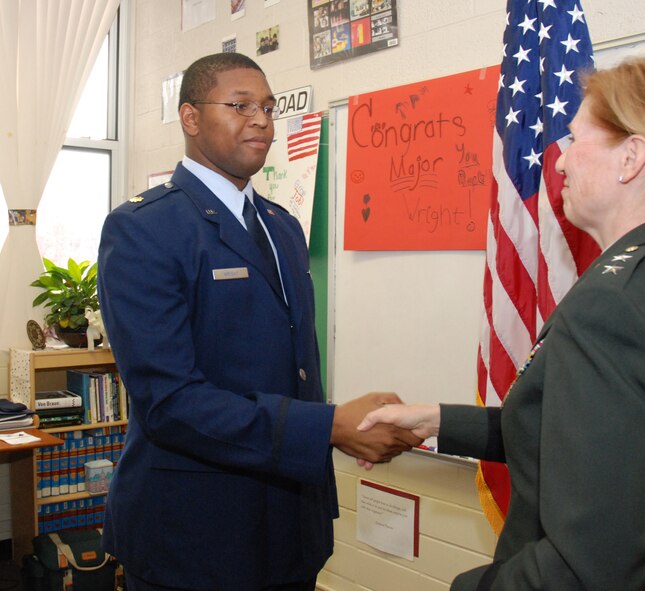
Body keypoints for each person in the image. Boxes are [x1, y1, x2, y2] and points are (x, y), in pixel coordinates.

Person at [358, 55, 645, 590]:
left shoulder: (614, 310)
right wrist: (437, 420)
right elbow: (602, 445)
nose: (560, 163)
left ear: (631, 158)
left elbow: (584, 565)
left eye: (573, 140)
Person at [98, 52, 421, 591]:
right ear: (190, 118)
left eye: (269, 108)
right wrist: (329, 428)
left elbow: (292, 370)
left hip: (291, 522)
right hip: (196, 536)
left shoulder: (282, 226)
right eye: (241, 105)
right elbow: (170, 403)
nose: (262, 120)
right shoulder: (145, 229)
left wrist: (338, 431)